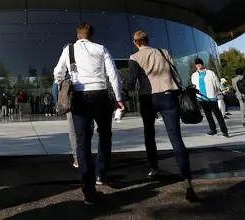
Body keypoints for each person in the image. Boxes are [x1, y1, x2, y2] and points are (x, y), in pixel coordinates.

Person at [54, 23, 124, 205]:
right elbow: (113, 75)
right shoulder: (101, 48)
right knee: (105, 135)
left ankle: (89, 189)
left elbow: (58, 73)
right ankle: (101, 173)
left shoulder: (69, 50)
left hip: (79, 96)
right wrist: (118, 98)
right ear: (91, 35)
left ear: (78, 35)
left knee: (82, 142)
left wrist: (64, 85)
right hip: (100, 94)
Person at [127, 30, 197, 202]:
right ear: (148, 40)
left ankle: (154, 168)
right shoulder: (163, 52)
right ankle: (188, 182)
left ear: (135, 42)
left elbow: (131, 80)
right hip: (168, 96)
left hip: (147, 98)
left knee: (149, 134)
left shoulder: (134, 58)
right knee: (176, 138)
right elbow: (174, 71)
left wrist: (124, 93)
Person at [191, 59, 229, 137]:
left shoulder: (210, 73)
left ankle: (224, 131)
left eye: (200, 63)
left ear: (202, 64)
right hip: (201, 98)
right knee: (208, 115)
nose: (198, 65)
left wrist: (219, 92)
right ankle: (213, 130)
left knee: (218, 115)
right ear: (195, 65)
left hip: (211, 97)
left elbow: (217, 83)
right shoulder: (194, 75)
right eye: (197, 64)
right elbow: (193, 86)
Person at [52, 71, 81, 168]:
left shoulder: (64, 68)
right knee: (85, 129)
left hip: (70, 103)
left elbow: (55, 86)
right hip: (85, 99)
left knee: (73, 131)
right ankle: (85, 156)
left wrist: (57, 103)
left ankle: (77, 159)